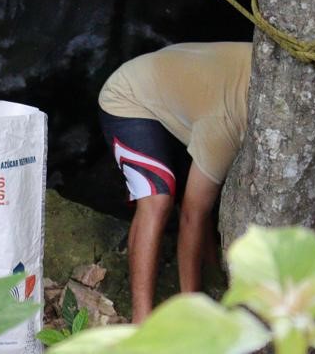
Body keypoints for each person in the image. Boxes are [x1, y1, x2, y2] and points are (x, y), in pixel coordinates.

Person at [97, 41, 253, 322]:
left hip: (182, 92)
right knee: (159, 199)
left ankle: (210, 273)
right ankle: (143, 321)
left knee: (204, 189)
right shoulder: (228, 123)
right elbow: (193, 216)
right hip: (131, 96)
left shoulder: (290, 76)